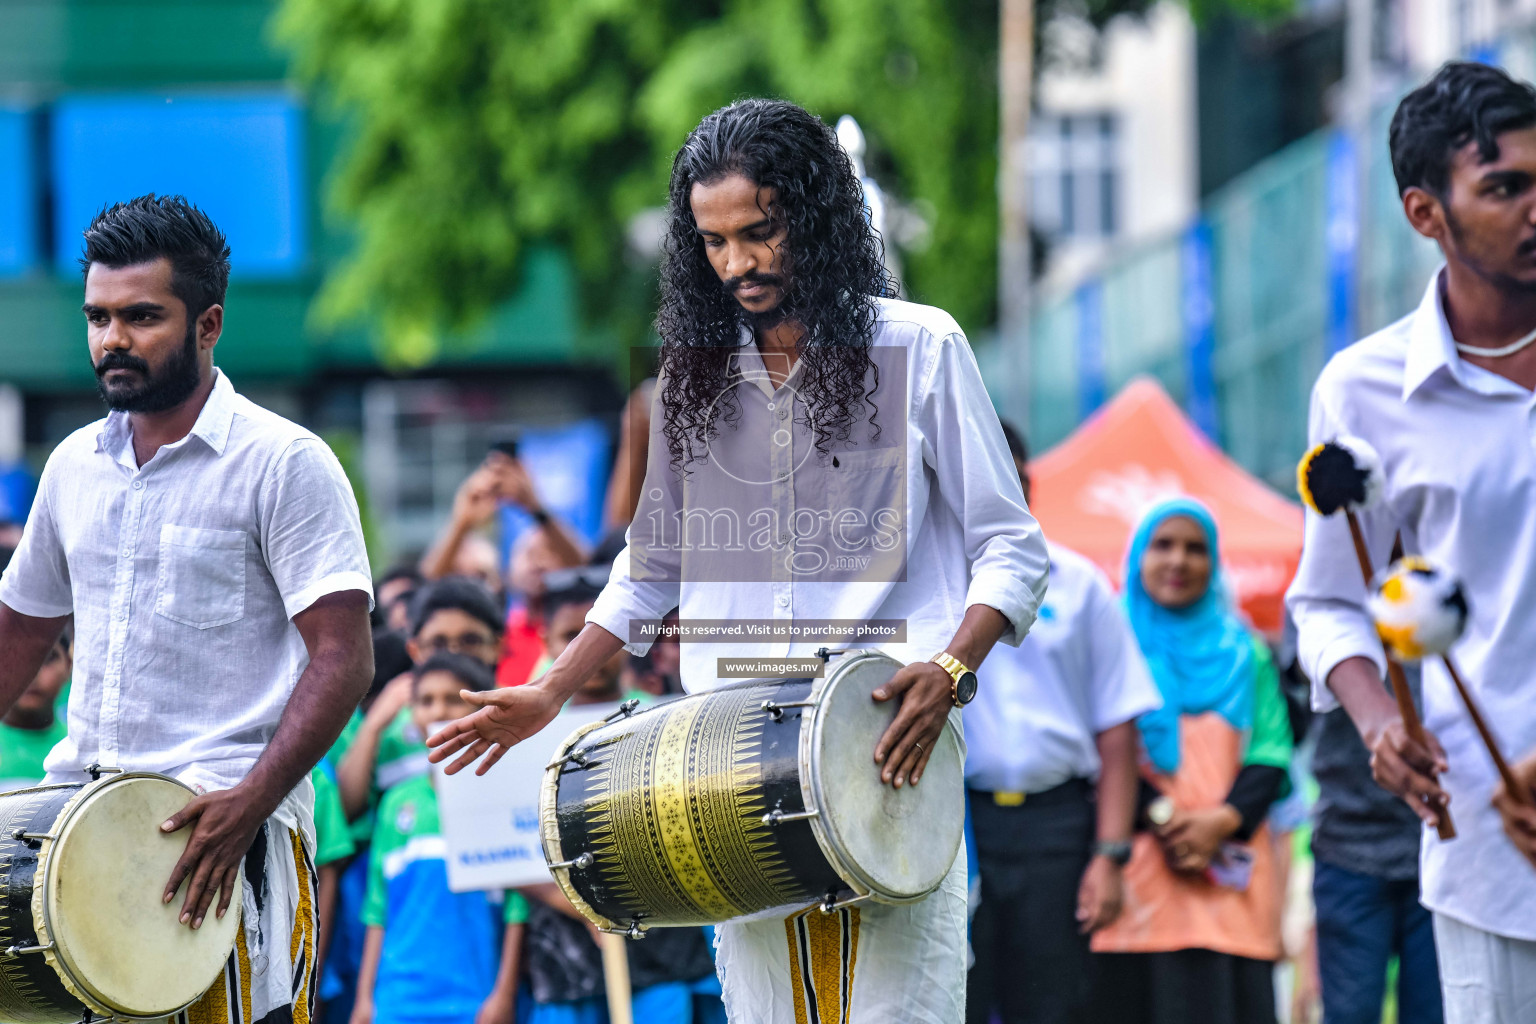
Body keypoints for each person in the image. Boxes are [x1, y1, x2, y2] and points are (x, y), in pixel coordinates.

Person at [430, 99, 1048, 1024]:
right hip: (725, 763)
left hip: (888, 745)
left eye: (759, 234)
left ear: (819, 218)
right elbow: (651, 568)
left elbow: (1011, 544)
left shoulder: (921, 346)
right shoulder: (690, 378)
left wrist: (951, 668)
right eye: (713, 242)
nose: (737, 265)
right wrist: (552, 691)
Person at [0, 194, 373, 1021]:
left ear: (208, 325)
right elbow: (18, 632)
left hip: (228, 840)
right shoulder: (71, 467)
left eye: (141, 317)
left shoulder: (285, 463)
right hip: (77, 840)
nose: (112, 340)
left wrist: (252, 800)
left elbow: (345, 658)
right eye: (98, 316)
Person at [1286, 61, 1536, 1023]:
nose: (1534, 207)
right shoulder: (1361, 392)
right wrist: (1381, 724)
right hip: (1489, 839)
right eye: (1505, 186)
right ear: (1425, 213)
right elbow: (1330, 599)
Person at [964, 422, 1161, 1024]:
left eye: (1011, 480)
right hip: (960, 828)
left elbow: (1117, 725)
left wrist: (1110, 855)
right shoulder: (935, 590)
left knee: (1053, 1003)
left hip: (1059, 828)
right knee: (955, 1000)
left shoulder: (1078, 584)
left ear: (1027, 485)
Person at [1092, 498, 1293, 1024]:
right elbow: (1093, 756)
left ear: (1215, 562)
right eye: (1162, 545)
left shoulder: (1248, 652)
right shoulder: (1111, 645)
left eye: (1195, 549)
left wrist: (1220, 823)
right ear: (1137, 557)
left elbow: (1272, 751)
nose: (1178, 560)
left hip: (1231, 882)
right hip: (1136, 885)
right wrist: (1170, 820)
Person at [351, 653, 524, 1024]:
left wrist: (504, 994)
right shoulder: (397, 801)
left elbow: (517, 907)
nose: (438, 710)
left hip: (474, 1000)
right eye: (426, 700)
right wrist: (365, 1000)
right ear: (412, 712)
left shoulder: (497, 799)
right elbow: (377, 907)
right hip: (396, 1000)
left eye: (452, 699)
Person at [1308, 655, 1443, 1024]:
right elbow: (1304, 660)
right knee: (1350, 1013)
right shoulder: (1332, 604)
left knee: (1436, 1013)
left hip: (1444, 846)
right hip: (1348, 846)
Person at [337, 576, 505, 820]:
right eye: (439, 643)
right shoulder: (386, 717)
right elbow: (346, 809)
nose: (454, 654)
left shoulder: (519, 709)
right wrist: (372, 727)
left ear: (496, 647)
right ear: (414, 650)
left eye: (470, 641)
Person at [0, 625, 71, 792]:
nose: (33, 673)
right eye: (14, 657)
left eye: (47, 658)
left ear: (69, 665)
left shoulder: (80, 750)